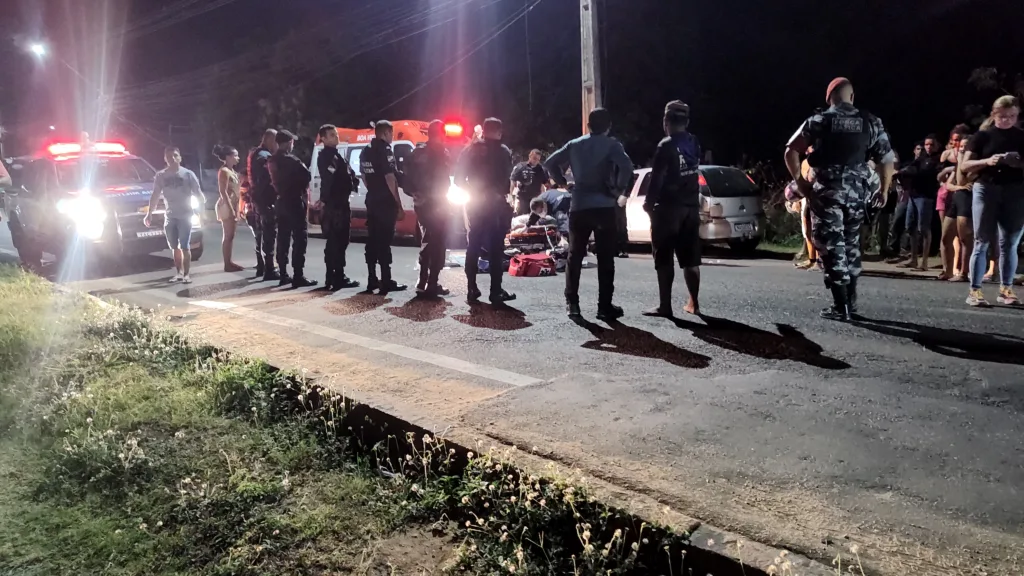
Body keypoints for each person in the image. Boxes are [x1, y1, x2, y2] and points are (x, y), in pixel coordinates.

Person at [784, 77, 895, 321]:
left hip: (827, 193)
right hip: (857, 194)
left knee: (831, 244)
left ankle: (841, 306)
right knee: (850, 243)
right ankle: (851, 303)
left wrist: (801, 183)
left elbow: (791, 150)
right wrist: (884, 190)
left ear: (829, 98)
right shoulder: (871, 121)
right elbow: (887, 160)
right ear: (852, 97)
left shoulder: (819, 120)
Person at [545, 107, 633, 320]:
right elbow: (627, 166)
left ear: (588, 125)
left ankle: (573, 304)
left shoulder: (575, 144)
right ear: (608, 126)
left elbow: (549, 163)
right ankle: (604, 307)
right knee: (605, 258)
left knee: (575, 255)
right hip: (604, 207)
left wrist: (564, 183)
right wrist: (618, 189)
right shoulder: (613, 145)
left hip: (579, 206)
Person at [640, 100, 703, 317]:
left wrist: (648, 206)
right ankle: (694, 303)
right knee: (691, 259)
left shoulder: (665, 145)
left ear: (666, 121)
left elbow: (656, 179)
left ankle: (665, 306)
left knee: (664, 258)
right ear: (686, 121)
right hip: (690, 208)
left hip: (668, 209)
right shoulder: (693, 141)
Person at [960, 95, 1024, 307]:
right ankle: (975, 290)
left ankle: (1006, 288)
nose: (1008, 120)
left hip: (1015, 190)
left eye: (1012, 116)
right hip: (987, 188)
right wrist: (988, 161)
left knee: (1010, 242)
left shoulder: (1021, 137)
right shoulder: (982, 137)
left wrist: (1018, 163)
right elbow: (964, 166)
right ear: (995, 115)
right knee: (982, 240)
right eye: (1004, 116)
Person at [454, 117, 516, 304]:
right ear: (498, 131)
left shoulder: (469, 150)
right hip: (495, 205)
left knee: (473, 246)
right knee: (496, 249)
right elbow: (507, 182)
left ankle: (472, 289)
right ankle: (495, 291)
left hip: (475, 205)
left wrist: (473, 192)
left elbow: (458, 179)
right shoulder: (503, 151)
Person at [405, 120, 453, 297]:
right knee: (437, 242)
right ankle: (431, 283)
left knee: (427, 239)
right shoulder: (441, 153)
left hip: (424, 204)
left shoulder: (417, 152)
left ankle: (423, 281)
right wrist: (417, 193)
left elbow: (406, 177)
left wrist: (414, 193)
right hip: (436, 203)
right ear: (441, 134)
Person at [145, 146, 205, 284]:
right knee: (174, 247)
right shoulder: (161, 176)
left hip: (185, 215)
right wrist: (149, 213)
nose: (172, 158)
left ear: (180, 158)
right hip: (170, 216)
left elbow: (198, 193)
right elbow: (155, 195)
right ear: (165, 159)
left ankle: (187, 274)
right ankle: (178, 273)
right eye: (169, 156)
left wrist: (201, 211)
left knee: (185, 245)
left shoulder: (188, 174)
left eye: (175, 155)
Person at [360, 120, 407, 293]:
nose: (392, 138)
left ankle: (372, 278)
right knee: (384, 242)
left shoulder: (366, 151)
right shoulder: (385, 150)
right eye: (391, 134)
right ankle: (386, 281)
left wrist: (374, 191)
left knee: (373, 240)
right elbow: (390, 178)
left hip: (372, 201)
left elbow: (364, 177)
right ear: (386, 133)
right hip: (385, 204)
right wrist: (398, 204)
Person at [267, 129, 317, 288]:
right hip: (294, 202)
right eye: (292, 142)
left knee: (282, 239)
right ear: (289, 143)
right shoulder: (292, 160)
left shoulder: (272, 160)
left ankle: (283, 273)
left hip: (281, 202)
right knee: (299, 239)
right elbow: (307, 176)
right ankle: (298, 275)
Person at [316, 124, 360, 291]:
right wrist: (325, 201)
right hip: (336, 205)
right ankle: (335, 277)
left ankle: (335, 276)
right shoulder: (328, 156)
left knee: (340, 241)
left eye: (336, 134)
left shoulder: (336, 155)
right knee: (336, 241)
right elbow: (329, 180)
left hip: (339, 203)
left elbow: (347, 174)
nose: (336, 137)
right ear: (324, 139)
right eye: (332, 135)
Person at [898, 134, 942, 271]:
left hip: (926, 196)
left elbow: (929, 175)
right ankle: (913, 259)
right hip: (913, 195)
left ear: (936, 146)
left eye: (931, 144)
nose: (928, 147)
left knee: (923, 228)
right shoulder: (921, 158)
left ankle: (924, 262)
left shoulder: (937, 159)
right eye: (927, 144)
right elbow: (909, 168)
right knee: (910, 226)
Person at [247, 129, 280, 281]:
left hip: (259, 200)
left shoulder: (256, 154)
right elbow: (266, 180)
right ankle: (269, 269)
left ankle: (262, 267)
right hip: (265, 201)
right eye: (275, 141)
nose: (277, 145)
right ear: (268, 140)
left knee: (261, 235)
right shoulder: (264, 157)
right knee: (268, 235)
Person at [212, 145, 245, 273]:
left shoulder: (232, 172)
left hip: (233, 205)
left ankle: (229, 262)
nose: (238, 158)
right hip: (227, 205)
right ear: (228, 157)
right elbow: (223, 191)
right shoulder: (224, 171)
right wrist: (231, 209)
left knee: (231, 235)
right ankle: (227, 263)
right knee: (228, 235)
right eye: (235, 155)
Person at [510, 149, 548, 216]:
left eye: (538, 159)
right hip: (522, 199)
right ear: (529, 156)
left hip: (536, 199)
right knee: (521, 218)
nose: (536, 161)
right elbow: (512, 180)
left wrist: (545, 198)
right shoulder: (521, 167)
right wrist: (510, 196)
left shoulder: (541, 169)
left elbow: (545, 184)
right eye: (534, 158)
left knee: (534, 219)